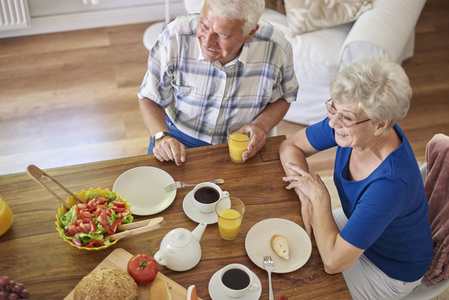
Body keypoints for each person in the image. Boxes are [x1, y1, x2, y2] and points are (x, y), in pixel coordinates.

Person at [279, 56, 433, 299]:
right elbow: (290, 146)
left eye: (345, 117)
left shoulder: (389, 185)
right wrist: (306, 198)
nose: (332, 122)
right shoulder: (355, 128)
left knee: (297, 286)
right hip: (356, 231)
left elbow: (333, 262)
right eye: (333, 108)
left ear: (380, 125)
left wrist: (319, 197)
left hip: (388, 270)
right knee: (285, 241)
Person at [138, 0, 298, 166]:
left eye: (224, 35)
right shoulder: (174, 37)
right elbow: (149, 97)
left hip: (242, 144)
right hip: (176, 136)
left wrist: (261, 126)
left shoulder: (277, 48)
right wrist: (160, 136)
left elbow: (285, 96)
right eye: (204, 25)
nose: (207, 43)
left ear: (250, 33)